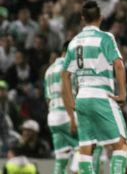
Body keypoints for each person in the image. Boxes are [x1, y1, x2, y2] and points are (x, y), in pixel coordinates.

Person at [61, 1, 127, 174]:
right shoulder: (105, 38)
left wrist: (71, 102)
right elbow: (119, 66)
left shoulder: (74, 42)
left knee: (85, 147)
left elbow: (65, 75)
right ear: (101, 17)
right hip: (101, 96)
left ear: (82, 19)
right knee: (120, 144)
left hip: (82, 98)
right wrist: (122, 94)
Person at [44, 41, 78, 174]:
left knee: (61, 158)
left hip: (53, 117)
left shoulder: (49, 70)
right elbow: (67, 92)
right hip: (67, 115)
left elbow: (48, 98)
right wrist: (71, 117)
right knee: (86, 147)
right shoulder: (69, 67)